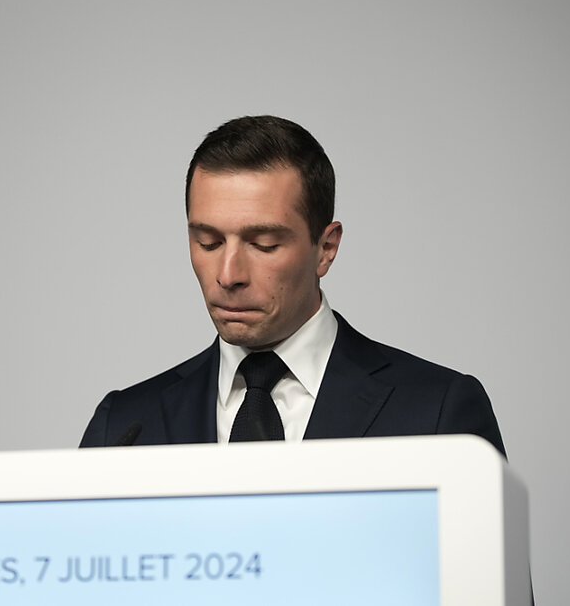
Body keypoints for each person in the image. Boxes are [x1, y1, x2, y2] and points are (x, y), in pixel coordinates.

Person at [80, 115, 505, 454]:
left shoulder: (438, 414)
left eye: (263, 244)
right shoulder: (122, 426)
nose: (228, 275)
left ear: (326, 248)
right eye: (207, 242)